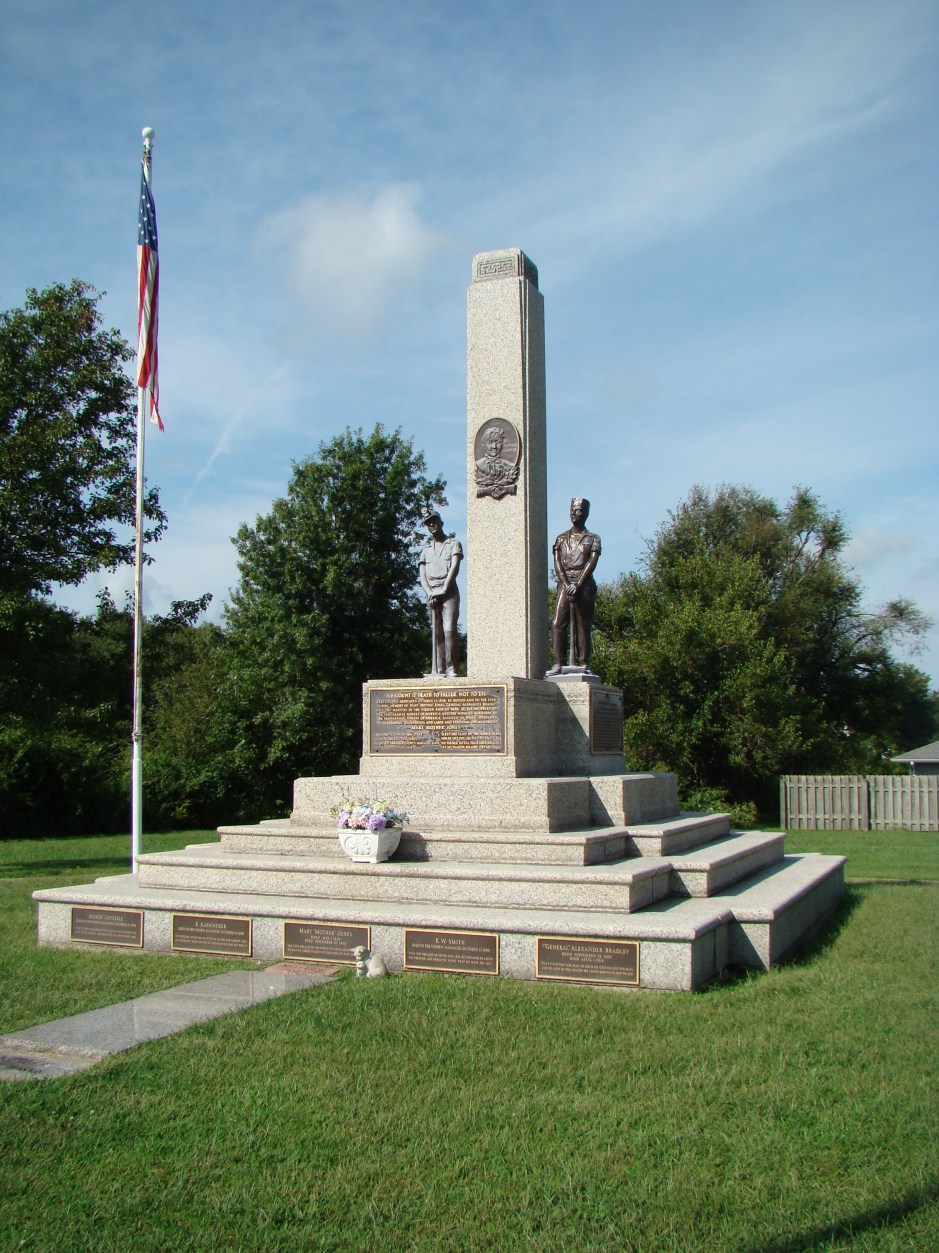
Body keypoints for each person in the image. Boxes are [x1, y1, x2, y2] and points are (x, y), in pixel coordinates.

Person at [548, 497, 601, 674]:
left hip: (584, 584)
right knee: (557, 622)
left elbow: (592, 562)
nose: (573, 513)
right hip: (565, 582)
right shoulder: (561, 538)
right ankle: (558, 663)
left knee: (582, 625)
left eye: (577, 510)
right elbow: (557, 563)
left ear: (585, 513)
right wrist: (566, 583)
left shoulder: (593, 539)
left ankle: (584, 663)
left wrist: (578, 584)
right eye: (571, 510)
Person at [418, 507, 463, 677]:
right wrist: (429, 592)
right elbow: (422, 575)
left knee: (449, 629)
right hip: (432, 594)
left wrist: (444, 589)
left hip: (449, 592)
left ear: (441, 523)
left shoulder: (453, 544)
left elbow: (455, 567)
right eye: (428, 524)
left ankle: (451, 667)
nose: (432, 525)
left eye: (434, 521)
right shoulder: (425, 550)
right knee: (436, 633)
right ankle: (438, 668)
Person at [474, 424, 519, 498]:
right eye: (490, 442)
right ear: (484, 445)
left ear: (502, 444)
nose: (494, 446)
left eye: (498, 442)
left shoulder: (509, 466)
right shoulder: (479, 464)